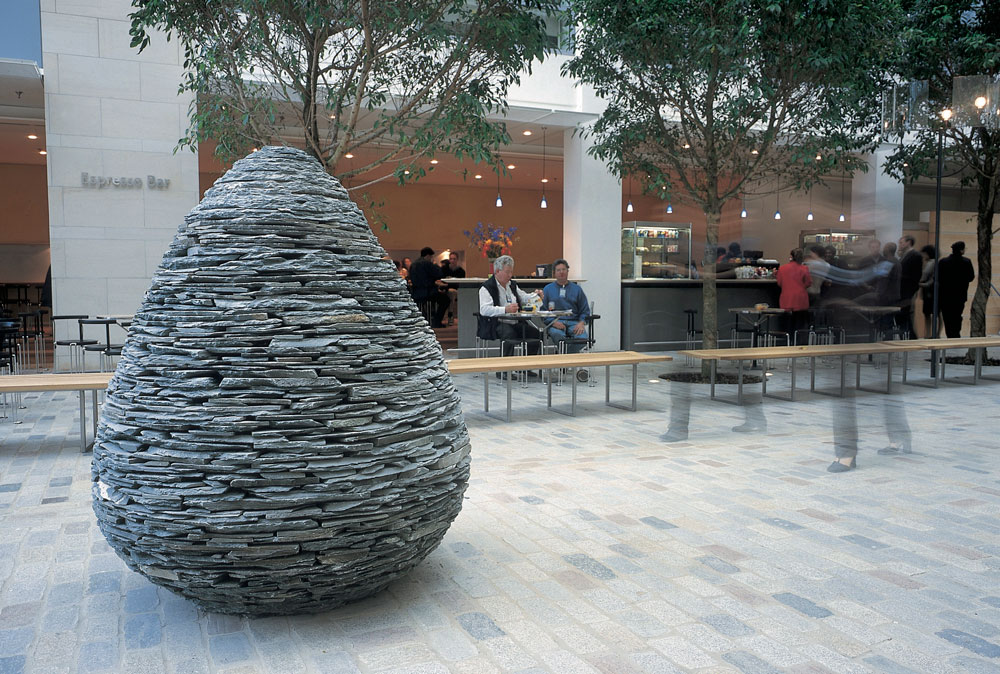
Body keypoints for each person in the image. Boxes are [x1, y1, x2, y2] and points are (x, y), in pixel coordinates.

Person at [478, 255, 543, 357]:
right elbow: (484, 310)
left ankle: (527, 367)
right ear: (497, 271)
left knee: (535, 333)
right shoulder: (486, 288)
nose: (510, 275)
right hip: (496, 323)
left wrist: (535, 296)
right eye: (507, 272)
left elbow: (523, 297)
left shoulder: (512, 285)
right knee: (509, 334)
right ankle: (505, 370)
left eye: (511, 272)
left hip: (515, 322)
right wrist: (505, 309)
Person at [542, 259, 592, 354]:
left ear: (568, 271)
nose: (561, 272)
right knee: (557, 335)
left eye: (563, 269)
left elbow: (585, 310)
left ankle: (564, 356)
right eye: (558, 270)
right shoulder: (547, 289)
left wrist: (581, 323)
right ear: (554, 273)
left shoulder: (577, 289)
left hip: (574, 322)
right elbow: (543, 311)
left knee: (583, 339)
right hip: (556, 322)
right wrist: (552, 322)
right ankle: (566, 358)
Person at [936, 240, 976, 338]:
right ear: (962, 250)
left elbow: (937, 277)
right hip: (960, 294)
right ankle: (956, 334)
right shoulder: (966, 262)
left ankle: (949, 334)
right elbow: (971, 277)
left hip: (945, 295)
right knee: (957, 316)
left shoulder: (943, 262)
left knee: (947, 316)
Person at [409, 247, 449, 328]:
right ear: (428, 256)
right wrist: (435, 264)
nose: (432, 258)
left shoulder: (413, 264)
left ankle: (429, 318)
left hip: (416, 293)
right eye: (431, 257)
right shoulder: (427, 263)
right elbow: (439, 274)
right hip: (428, 292)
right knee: (445, 300)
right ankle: (436, 322)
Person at [775, 248, 811, 337]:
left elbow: (779, 283)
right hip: (801, 299)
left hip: (786, 299)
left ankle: (788, 341)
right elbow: (808, 283)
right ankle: (798, 342)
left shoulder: (782, 268)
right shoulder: (804, 268)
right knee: (800, 324)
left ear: (791, 256)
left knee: (787, 323)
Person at [897, 235, 922, 338]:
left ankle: (910, 336)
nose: (900, 245)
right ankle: (907, 335)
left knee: (905, 313)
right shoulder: (904, 255)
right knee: (902, 314)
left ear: (908, 242)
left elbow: (916, 274)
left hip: (908, 289)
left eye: (902, 243)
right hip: (903, 289)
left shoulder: (915, 255)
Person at [918, 244, 938, 337]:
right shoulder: (933, 262)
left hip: (929, 291)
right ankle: (932, 333)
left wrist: (920, 283)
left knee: (928, 314)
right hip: (930, 290)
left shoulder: (931, 263)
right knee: (933, 314)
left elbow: (925, 276)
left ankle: (929, 333)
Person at [442, 252, 466, 326]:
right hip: (444, 290)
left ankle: (450, 314)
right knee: (450, 293)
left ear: (457, 260)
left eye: (454, 259)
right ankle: (449, 315)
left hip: (456, 290)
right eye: (451, 259)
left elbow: (460, 283)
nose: (452, 261)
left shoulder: (461, 271)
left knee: (451, 293)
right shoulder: (444, 269)